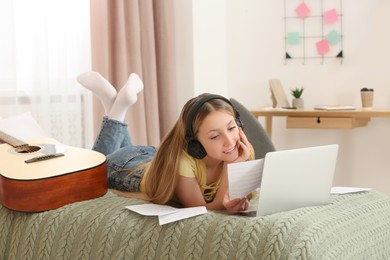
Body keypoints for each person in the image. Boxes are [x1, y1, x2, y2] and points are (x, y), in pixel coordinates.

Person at [77, 71, 255, 214]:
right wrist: (233, 166)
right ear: (195, 143)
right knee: (88, 176)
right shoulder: (184, 163)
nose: (229, 141)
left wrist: (235, 164)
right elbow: (202, 209)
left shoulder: (241, 150)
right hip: (127, 168)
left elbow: (229, 199)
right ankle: (117, 108)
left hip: (151, 156)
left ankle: (112, 103)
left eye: (231, 128)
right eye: (215, 136)